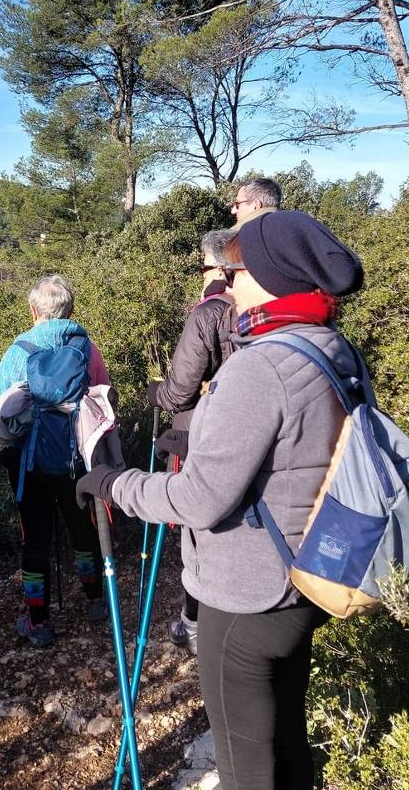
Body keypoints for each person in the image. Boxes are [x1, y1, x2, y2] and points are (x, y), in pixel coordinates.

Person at [78, 210, 365, 790]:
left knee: (245, 768)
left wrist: (115, 484)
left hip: (247, 595)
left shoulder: (261, 363)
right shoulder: (332, 347)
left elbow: (201, 498)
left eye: (238, 270)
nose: (228, 283)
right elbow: (293, 448)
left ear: (270, 274)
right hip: (308, 575)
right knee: (287, 743)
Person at [0, 274, 112, 647]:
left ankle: (37, 621)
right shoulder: (87, 348)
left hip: (31, 465)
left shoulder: (20, 349)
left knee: (35, 540)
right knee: (83, 530)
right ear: (70, 309)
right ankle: (95, 603)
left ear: (33, 310)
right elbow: (103, 399)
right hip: (78, 461)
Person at [148, 229, 236, 654]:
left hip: (196, 433)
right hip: (246, 432)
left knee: (198, 528)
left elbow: (179, 391)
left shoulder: (207, 313)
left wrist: (153, 394)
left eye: (203, 267)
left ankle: (194, 622)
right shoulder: (258, 310)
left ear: (219, 268)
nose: (200, 275)